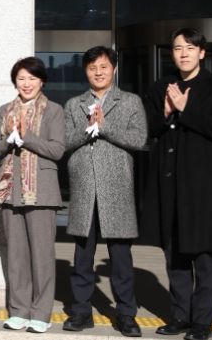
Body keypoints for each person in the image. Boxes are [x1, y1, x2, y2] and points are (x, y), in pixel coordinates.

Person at [143, 28, 212, 340]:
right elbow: (148, 129)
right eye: (178, 48)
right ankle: (180, 316)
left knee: (204, 257)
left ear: (202, 53)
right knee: (175, 256)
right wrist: (167, 112)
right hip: (169, 183)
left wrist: (185, 108)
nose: (183, 53)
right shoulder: (160, 87)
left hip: (201, 187)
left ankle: (203, 322)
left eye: (190, 48)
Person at [62, 46, 147, 337]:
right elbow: (64, 141)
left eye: (103, 67)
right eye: (92, 68)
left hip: (117, 187)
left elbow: (139, 139)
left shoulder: (131, 101)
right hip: (85, 188)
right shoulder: (74, 104)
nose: (98, 72)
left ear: (114, 69)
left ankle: (126, 314)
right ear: (85, 71)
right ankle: (81, 311)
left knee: (121, 259)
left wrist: (105, 126)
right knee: (82, 257)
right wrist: (88, 127)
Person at [0, 57, 65, 334]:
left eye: (32, 78)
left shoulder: (54, 110)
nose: (26, 83)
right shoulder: (5, 110)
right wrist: (7, 140)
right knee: (16, 255)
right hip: (11, 189)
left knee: (42, 255)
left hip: (41, 191)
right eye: (21, 78)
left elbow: (57, 150)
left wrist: (26, 137)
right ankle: (19, 311)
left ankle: (41, 313)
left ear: (41, 81)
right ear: (15, 81)